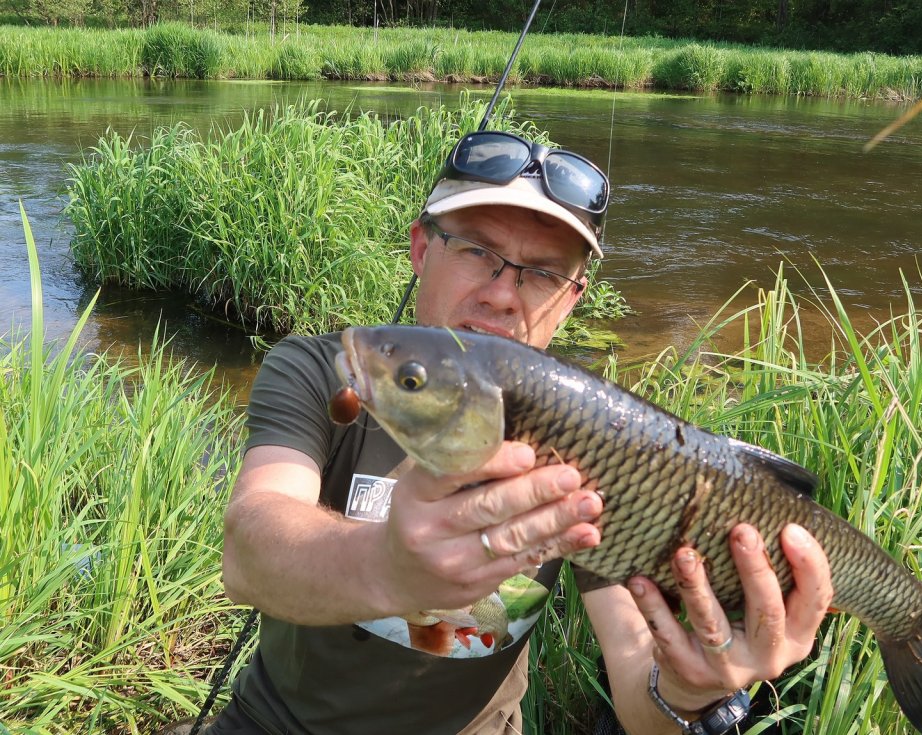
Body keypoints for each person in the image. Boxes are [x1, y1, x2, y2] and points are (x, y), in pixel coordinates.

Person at [203, 131, 835, 735]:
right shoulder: (330, 368)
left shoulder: (594, 440)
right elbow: (250, 551)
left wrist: (688, 693)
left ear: (573, 297)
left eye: (541, 273)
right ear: (423, 249)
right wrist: (386, 567)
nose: (504, 295)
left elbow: (643, 699)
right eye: (479, 252)